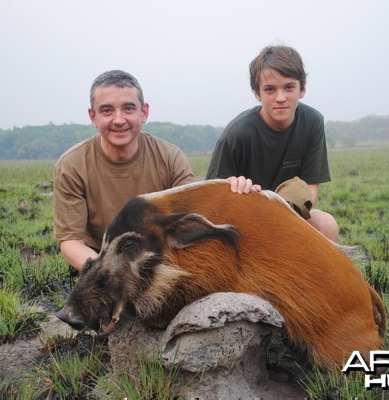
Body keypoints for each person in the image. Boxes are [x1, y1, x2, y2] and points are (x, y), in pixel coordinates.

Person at [54, 70, 256, 271]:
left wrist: (231, 191)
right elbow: (71, 243)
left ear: (144, 112)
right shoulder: (72, 165)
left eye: (128, 108)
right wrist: (109, 271)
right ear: (93, 116)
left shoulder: (170, 157)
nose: (118, 119)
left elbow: (194, 218)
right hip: (100, 265)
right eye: (107, 110)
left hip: (160, 265)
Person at [206, 45, 339, 241]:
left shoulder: (312, 122)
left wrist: (281, 215)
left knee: (326, 225)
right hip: (243, 222)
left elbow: (311, 188)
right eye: (270, 89)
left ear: (302, 89)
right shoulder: (237, 134)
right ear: (257, 94)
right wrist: (234, 188)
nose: (281, 98)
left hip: (290, 215)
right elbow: (212, 200)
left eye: (288, 87)